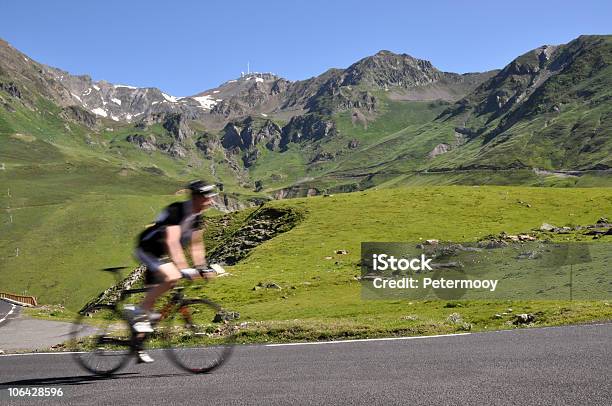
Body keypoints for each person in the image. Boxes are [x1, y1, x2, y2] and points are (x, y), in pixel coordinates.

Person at [128, 180, 218, 363]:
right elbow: (172, 242)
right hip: (147, 249)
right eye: (208, 197)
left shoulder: (197, 216)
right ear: (198, 197)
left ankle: (137, 346)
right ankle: (136, 310)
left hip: (161, 255)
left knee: (152, 312)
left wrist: (202, 267)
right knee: (174, 276)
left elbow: (196, 245)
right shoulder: (176, 211)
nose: (212, 201)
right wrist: (184, 268)